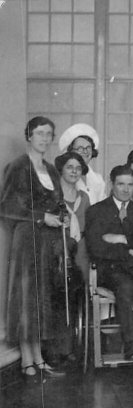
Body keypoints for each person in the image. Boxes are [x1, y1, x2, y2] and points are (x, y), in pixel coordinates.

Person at [1, 116, 67, 377]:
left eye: (48, 134)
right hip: (27, 238)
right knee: (28, 296)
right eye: (39, 133)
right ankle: (28, 360)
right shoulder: (17, 166)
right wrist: (42, 217)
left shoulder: (51, 169)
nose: (44, 138)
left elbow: (58, 202)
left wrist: (61, 215)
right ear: (29, 135)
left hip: (47, 241)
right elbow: (7, 207)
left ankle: (38, 358)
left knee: (41, 297)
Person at [85, 166, 133, 361]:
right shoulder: (97, 211)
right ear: (112, 184)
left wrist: (121, 238)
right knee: (125, 286)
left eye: (130, 184)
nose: (126, 189)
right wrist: (130, 250)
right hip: (111, 268)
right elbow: (96, 247)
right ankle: (132, 343)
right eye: (121, 184)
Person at [56, 151, 91, 284]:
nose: (74, 171)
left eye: (78, 168)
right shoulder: (54, 197)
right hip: (60, 250)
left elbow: (90, 225)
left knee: (82, 287)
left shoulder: (84, 197)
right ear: (61, 169)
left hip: (82, 249)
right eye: (69, 167)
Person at [58, 123, 106, 205]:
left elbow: (103, 206)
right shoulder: (63, 177)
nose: (85, 151)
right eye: (80, 148)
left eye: (88, 148)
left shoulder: (98, 179)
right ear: (70, 151)